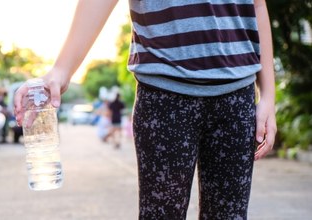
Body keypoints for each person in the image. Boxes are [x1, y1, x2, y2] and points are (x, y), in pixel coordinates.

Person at [14, 0, 277, 219]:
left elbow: (257, 5)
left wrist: (268, 96)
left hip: (237, 96)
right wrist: (62, 69)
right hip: (165, 95)